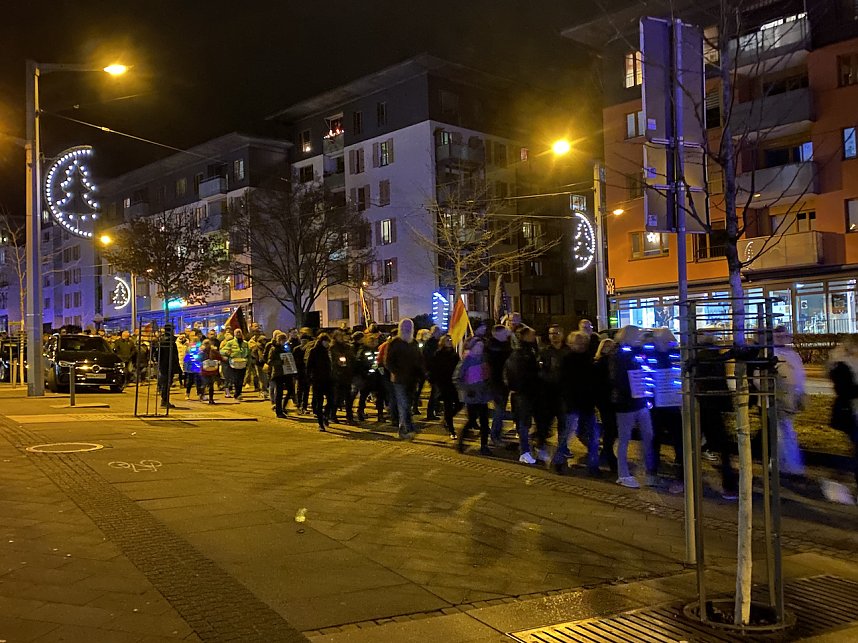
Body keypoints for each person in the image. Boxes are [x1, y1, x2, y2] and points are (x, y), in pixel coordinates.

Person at [611, 325, 656, 489]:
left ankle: (649, 469)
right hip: (626, 403)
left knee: (648, 434)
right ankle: (623, 474)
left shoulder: (637, 352)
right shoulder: (618, 355)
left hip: (640, 400)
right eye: (637, 334)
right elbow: (617, 379)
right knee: (624, 438)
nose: (639, 337)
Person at [695, 330, 739, 500]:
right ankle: (728, 483)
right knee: (722, 444)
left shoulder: (701, 354)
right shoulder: (710, 354)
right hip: (711, 404)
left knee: (712, 441)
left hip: (706, 403)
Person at [557, 331, 600, 476]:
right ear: (571, 344)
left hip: (586, 402)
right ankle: (558, 460)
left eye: (583, 343)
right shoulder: (567, 359)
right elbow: (563, 382)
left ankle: (594, 465)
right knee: (567, 434)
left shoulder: (588, 359)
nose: (581, 346)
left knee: (593, 435)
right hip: (573, 402)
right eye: (578, 343)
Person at [650, 328, 684, 494]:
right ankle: (653, 472)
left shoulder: (676, 354)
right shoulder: (651, 354)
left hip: (672, 405)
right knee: (655, 440)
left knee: (679, 442)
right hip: (658, 405)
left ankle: (680, 476)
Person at [773, 326, 806, 476]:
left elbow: (799, 375)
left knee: (784, 431)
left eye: (783, 336)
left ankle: (782, 464)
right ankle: (790, 465)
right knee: (784, 432)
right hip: (779, 399)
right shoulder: (773, 354)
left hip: (790, 398)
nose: (781, 338)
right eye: (778, 336)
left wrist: (800, 393)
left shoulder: (792, 354)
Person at [828, 335, 858, 498]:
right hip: (850, 413)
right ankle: (837, 479)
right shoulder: (841, 364)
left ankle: (837, 477)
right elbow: (845, 389)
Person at [454, 336, 493, 455]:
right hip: (471, 397)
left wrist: (488, 386)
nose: (480, 349)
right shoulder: (466, 360)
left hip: (482, 395)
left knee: (485, 423)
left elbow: (487, 376)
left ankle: (484, 446)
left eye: (481, 346)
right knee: (471, 420)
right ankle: (460, 442)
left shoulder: (483, 359)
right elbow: (457, 378)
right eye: (478, 346)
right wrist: (467, 390)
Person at [385, 319, 424, 439]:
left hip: (412, 380)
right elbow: (388, 361)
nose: (407, 329)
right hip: (399, 380)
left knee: (408, 404)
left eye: (409, 327)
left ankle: (408, 425)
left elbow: (419, 361)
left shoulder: (414, 343)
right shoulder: (395, 343)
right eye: (405, 326)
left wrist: (421, 373)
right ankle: (403, 428)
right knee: (403, 404)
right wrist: (396, 372)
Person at [535, 324, 569, 461]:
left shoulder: (567, 351)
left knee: (563, 423)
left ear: (562, 334)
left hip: (563, 393)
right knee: (546, 422)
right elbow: (540, 371)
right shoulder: (545, 352)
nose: (553, 336)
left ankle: (562, 448)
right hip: (548, 393)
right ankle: (541, 444)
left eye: (556, 333)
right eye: (551, 333)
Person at [594, 338, 619, 473]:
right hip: (606, 401)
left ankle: (606, 452)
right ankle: (608, 455)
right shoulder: (600, 363)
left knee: (612, 429)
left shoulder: (614, 362)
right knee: (610, 429)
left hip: (612, 401)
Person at [486, 325, 513, 446]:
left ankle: (496, 433)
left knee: (500, 409)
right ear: (496, 334)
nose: (506, 335)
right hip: (496, 383)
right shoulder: (493, 348)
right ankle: (495, 435)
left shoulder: (504, 346)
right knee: (499, 410)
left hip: (503, 383)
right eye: (504, 333)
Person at [431, 334, 460, 439]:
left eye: (450, 340)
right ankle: (451, 429)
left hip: (454, 383)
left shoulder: (454, 354)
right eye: (447, 340)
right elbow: (434, 369)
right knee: (448, 406)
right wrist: (436, 382)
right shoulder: (438, 354)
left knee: (459, 403)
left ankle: (447, 419)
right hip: (444, 383)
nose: (449, 341)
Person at [306, 332, 333, 431]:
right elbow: (309, 366)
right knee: (319, 402)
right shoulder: (314, 351)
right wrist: (310, 378)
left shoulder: (329, 351)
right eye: (326, 342)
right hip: (318, 380)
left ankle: (326, 414)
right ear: (321, 341)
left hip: (329, 379)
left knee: (331, 400)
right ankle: (320, 423)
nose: (327, 344)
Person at [329, 330, 356, 423]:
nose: (341, 338)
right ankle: (333, 415)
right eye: (339, 336)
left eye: (342, 336)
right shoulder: (333, 348)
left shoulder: (347, 347)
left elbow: (351, 358)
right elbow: (333, 360)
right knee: (337, 397)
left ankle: (349, 416)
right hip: (337, 375)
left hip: (347, 375)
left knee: (348, 397)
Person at [267, 331, 295, 418]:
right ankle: (279, 411)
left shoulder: (286, 348)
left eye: (284, 339)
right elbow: (269, 361)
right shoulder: (274, 349)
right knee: (279, 392)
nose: (283, 341)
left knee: (290, 390)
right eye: (282, 340)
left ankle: (283, 407)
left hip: (287, 372)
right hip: (278, 373)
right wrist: (280, 362)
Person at [154, 324, 181, 409]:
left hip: (163, 365)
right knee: (166, 383)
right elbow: (174, 355)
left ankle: (164, 400)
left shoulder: (161, 340)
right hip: (168, 364)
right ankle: (164, 401)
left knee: (165, 383)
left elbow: (157, 353)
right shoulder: (170, 340)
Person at [221, 328, 251, 401]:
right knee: (235, 379)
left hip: (243, 363)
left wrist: (248, 362)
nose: (238, 334)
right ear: (234, 334)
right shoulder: (230, 342)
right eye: (237, 332)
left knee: (241, 379)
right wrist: (227, 352)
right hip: (234, 363)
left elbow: (249, 353)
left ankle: (239, 393)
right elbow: (222, 350)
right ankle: (237, 393)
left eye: (239, 332)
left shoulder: (245, 343)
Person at [199, 339, 225, 404]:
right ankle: (202, 394)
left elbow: (219, 357)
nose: (207, 345)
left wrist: (223, 359)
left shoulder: (213, 351)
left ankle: (211, 399)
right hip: (204, 371)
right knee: (205, 384)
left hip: (212, 370)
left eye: (208, 343)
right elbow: (198, 359)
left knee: (211, 385)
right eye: (206, 343)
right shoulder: (201, 352)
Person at [183, 330, 203, 400]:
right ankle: (190, 393)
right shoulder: (189, 348)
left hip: (195, 366)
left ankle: (199, 394)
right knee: (192, 381)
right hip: (192, 367)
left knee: (197, 381)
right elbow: (186, 358)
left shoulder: (199, 348)